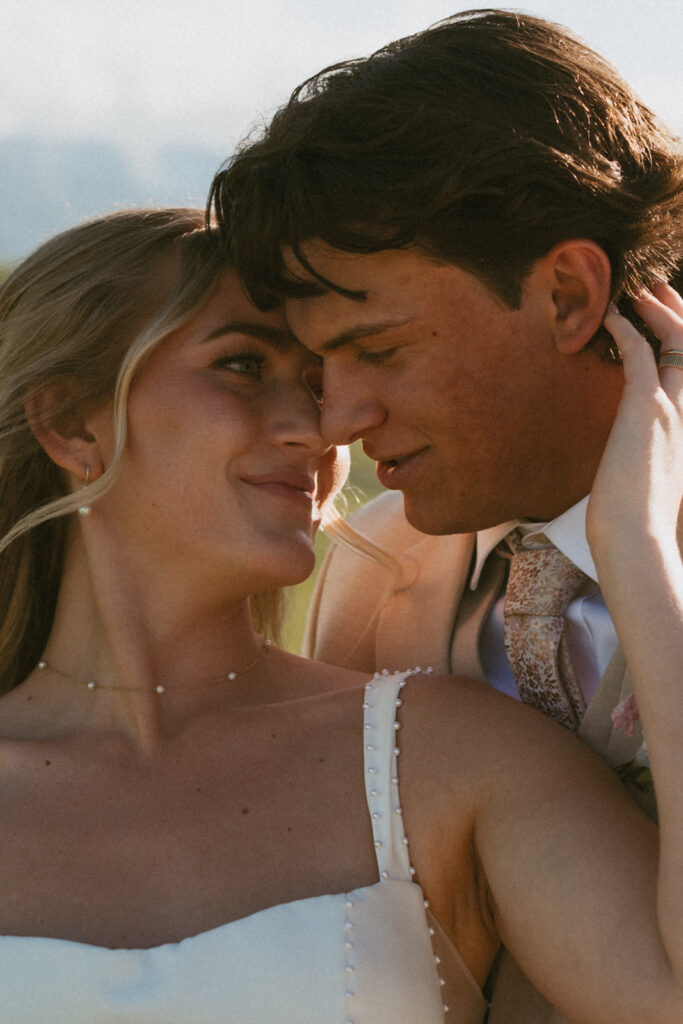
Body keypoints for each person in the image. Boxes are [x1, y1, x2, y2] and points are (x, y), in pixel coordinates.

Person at [1, 212, 683, 1024]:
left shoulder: (445, 760)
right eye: (244, 364)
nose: (322, 429)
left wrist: (638, 543)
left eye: (319, 383)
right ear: (71, 423)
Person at [209, 11, 683, 1018]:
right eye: (313, 366)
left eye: (377, 350)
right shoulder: (374, 568)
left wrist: (641, 570)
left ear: (564, 294)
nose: (339, 417)